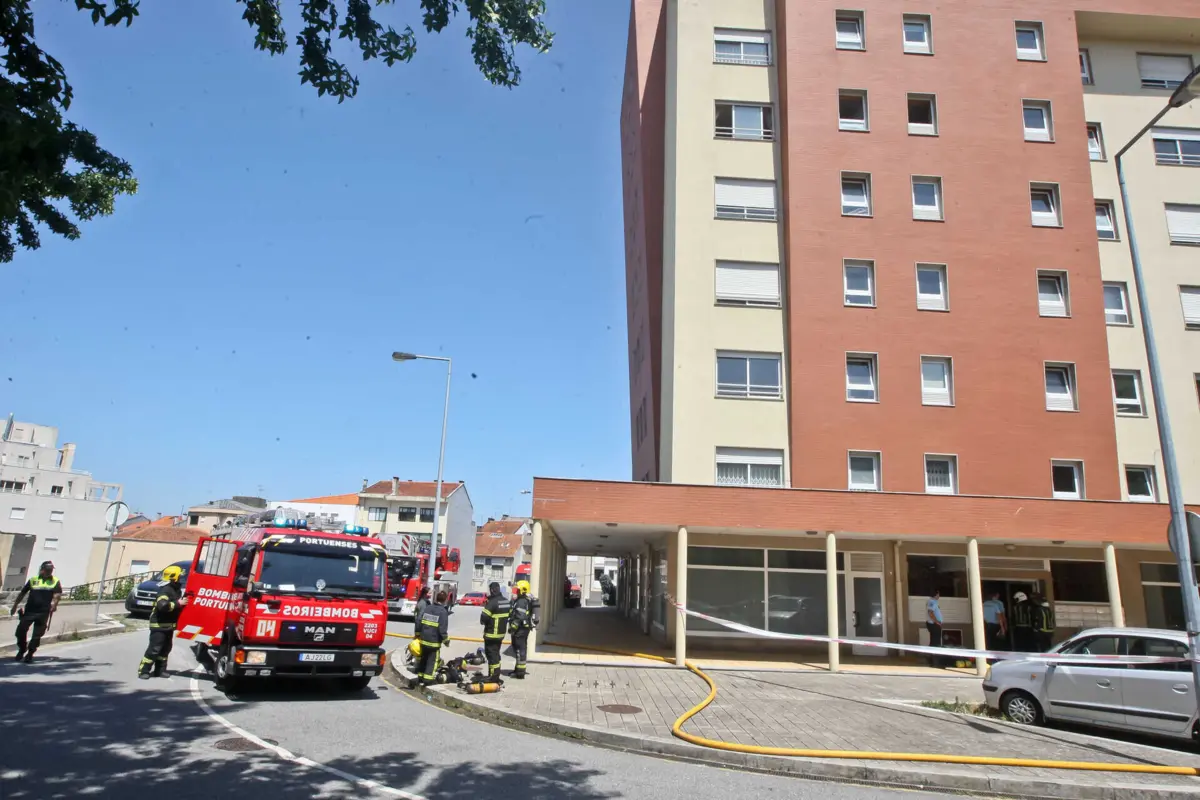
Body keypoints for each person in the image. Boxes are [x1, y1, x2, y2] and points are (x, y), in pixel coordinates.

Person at [138, 564, 187, 679]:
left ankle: (160, 670)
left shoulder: (176, 590)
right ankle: (143, 671)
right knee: (155, 649)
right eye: (179, 576)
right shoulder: (166, 590)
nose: (181, 578)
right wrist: (178, 604)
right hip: (159, 625)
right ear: (174, 578)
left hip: (168, 626)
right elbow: (162, 605)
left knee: (166, 649)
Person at [10, 561, 61, 663]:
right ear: (42, 570)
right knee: (20, 631)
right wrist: (15, 605)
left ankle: (30, 653)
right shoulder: (33, 580)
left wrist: (54, 605)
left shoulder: (55, 581)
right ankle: (22, 649)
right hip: (30, 611)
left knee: (37, 635)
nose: (49, 572)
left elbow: (57, 595)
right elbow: (22, 593)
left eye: (50, 570)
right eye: (47, 570)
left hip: (43, 612)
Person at [414, 590, 450, 686]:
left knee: (423, 659)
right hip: (434, 642)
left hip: (424, 640)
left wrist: (417, 634)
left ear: (436, 598)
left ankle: (420, 677)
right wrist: (446, 641)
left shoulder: (428, 608)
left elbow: (419, 620)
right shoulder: (443, 612)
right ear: (445, 600)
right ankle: (428, 680)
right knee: (432, 661)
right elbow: (442, 629)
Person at [508, 579, 540, 679]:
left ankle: (520, 673)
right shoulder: (524, 600)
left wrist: (512, 628)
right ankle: (518, 670)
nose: (516, 591)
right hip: (524, 628)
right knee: (520, 648)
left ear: (523, 590)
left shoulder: (521, 601)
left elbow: (520, 616)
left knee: (520, 649)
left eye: (518, 590)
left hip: (520, 629)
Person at [480, 581, 510, 681]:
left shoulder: (492, 603)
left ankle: (493, 677)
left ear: (492, 590)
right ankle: (495, 675)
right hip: (501, 634)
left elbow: (483, 618)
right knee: (496, 655)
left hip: (491, 634)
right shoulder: (506, 601)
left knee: (491, 656)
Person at [926, 590, 943, 667]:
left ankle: (932, 661)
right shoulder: (932, 602)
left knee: (933, 642)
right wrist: (937, 622)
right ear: (936, 594)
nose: (939, 595)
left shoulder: (934, 602)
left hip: (934, 624)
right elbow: (930, 612)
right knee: (936, 643)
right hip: (934, 625)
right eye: (938, 594)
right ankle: (936, 662)